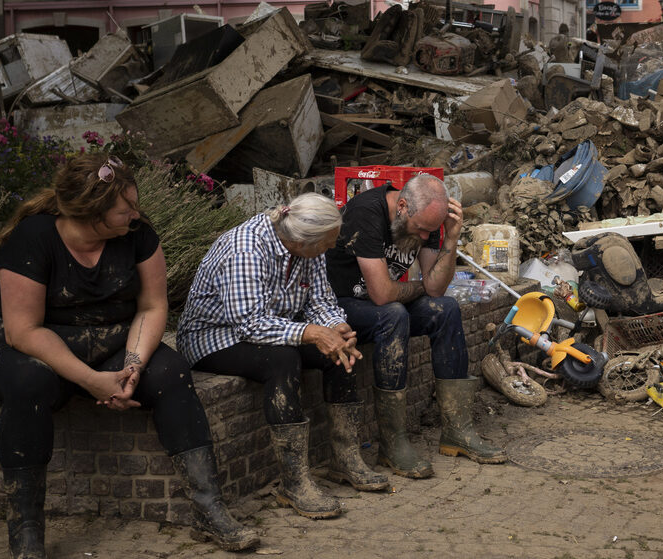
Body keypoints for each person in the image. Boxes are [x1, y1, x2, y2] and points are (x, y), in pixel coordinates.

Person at [0, 154, 258, 558]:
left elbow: (153, 307)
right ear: (92, 214)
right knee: (30, 382)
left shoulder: (138, 235)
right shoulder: (31, 239)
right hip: (26, 349)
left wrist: (133, 368)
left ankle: (209, 508)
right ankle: (27, 531)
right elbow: (24, 331)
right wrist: (91, 380)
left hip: (110, 343)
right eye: (126, 209)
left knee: (172, 371)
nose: (136, 215)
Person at [177, 193, 388, 520]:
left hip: (273, 329)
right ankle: (294, 481)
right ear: (303, 241)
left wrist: (336, 327)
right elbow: (250, 323)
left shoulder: (309, 247)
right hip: (215, 337)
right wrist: (314, 333)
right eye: (327, 243)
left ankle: (345, 459)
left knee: (342, 352)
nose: (331, 248)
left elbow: (320, 302)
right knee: (283, 359)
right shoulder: (245, 250)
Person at [325, 174, 506, 480]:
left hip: (386, 302)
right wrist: (418, 288)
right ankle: (393, 443)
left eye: (430, 232)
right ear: (403, 206)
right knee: (393, 313)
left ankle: (457, 430)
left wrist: (450, 238)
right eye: (420, 229)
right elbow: (382, 294)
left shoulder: (430, 221)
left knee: (445, 309)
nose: (424, 237)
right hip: (340, 305)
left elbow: (435, 288)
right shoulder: (367, 211)